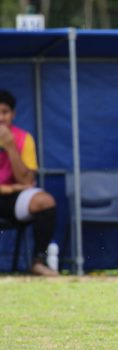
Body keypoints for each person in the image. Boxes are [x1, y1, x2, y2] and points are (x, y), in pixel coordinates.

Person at [0, 89, 58, 277]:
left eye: (5, 112)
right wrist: (9, 188)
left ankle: (38, 262)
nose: (1, 118)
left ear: (13, 114)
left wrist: (10, 146)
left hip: (11, 200)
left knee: (44, 201)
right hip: (9, 191)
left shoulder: (23, 138)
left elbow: (25, 180)